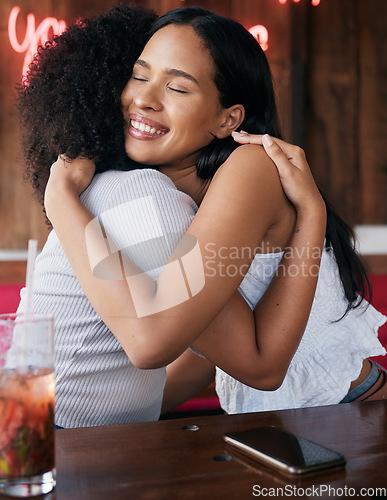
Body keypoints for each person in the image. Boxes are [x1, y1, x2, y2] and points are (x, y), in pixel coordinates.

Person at [18, 7, 386, 426]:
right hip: (278, 422)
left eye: (177, 87)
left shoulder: (249, 169)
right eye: (140, 75)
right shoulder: (168, 198)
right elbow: (206, 351)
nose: (144, 98)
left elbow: (255, 366)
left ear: (227, 118)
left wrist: (62, 202)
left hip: (348, 409)